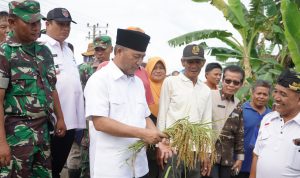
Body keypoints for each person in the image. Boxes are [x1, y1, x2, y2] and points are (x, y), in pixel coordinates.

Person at [84, 28, 166, 178]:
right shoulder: (99, 80)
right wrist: (142, 133)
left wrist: (157, 138)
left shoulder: (138, 84)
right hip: (112, 168)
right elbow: (100, 122)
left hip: (139, 167)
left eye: (142, 57)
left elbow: (145, 117)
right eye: (136, 56)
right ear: (119, 51)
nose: (140, 62)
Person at [0, 1, 66, 177]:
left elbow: (51, 87)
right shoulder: (4, 53)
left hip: (43, 130)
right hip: (16, 134)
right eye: (30, 23)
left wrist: (60, 117)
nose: (36, 27)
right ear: (12, 22)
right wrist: (1, 143)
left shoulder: (44, 51)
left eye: (38, 22)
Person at [39, 7, 86, 178]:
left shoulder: (68, 48)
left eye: (68, 25)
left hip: (71, 119)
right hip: (51, 121)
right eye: (60, 24)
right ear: (47, 24)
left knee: (57, 167)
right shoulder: (40, 46)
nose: (65, 28)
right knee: (47, 167)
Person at [157, 44, 212, 178]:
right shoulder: (171, 82)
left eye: (197, 62)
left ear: (203, 63)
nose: (194, 66)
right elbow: (162, 115)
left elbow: (206, 122)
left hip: (195, 151)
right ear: (183, 62)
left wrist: (206, 152)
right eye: (190, 61)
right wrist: (160, 145)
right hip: (172, 148)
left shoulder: (205, 90)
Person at [250, 69, 300, 178]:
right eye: (276, 91)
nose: (276, 98)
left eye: (283, 94)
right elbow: (256, 155)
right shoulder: (267, 119)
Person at [210, 65, 245, 178]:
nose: (231, 85)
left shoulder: (238, 104)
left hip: (227, 159)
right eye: (228, 81)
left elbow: (239, 133)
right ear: (222, 80)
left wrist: (240, 158)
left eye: (236, 82)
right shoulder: (209, 96)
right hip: (209, 156)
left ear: (241, 84)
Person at [233, 80, 272, 178]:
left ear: (269, 96)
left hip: (261, 166)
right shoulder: (240, 110)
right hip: (239, 163)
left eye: (265, 94)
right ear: (252, 93)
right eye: (259, 93)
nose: (261, 97)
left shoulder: (272, 115)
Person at [143, 56, 167, 178]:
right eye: (155, 68)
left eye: (161, 68)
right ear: (148, 69)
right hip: (148, 135)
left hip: (166, 137)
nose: (158, 71)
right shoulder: (144, 87)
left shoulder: (169, 87)